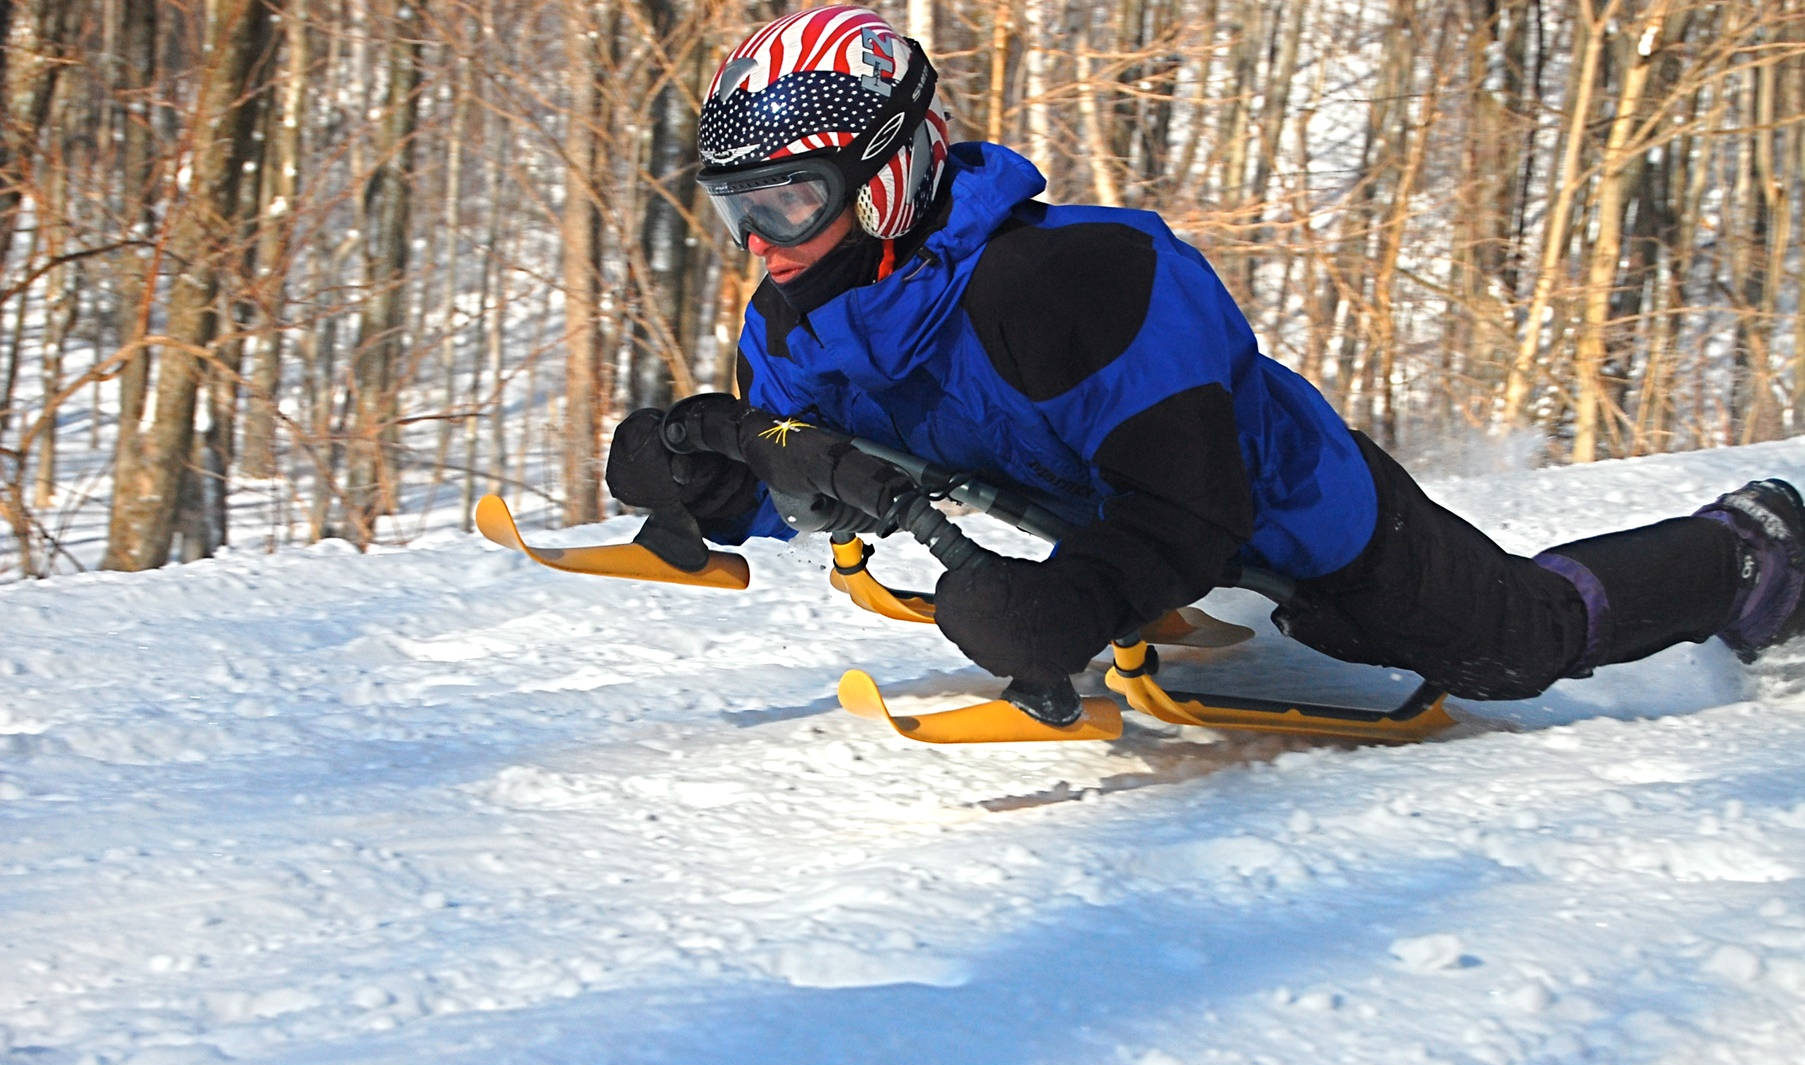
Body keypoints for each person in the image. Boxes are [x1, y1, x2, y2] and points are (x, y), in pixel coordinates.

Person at [604, 4, 1805, 703]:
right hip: (1136, 530)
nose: (761, 243)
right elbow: (819, 455)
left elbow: (1197, 502)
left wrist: (1072, 604)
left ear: (891, 170)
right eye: (736, 209)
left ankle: (1747, 548)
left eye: (790, 199)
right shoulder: (809, 312)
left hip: (1303, 521)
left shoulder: (1083, 281)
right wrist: (726, 485)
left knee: (1522, 641)